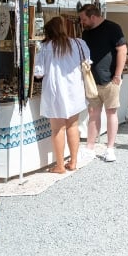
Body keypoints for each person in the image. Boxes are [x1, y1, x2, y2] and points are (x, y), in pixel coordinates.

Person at [33, 17, 89, 173]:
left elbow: (38, 73)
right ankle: (73, 162)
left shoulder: (45, 47)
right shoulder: (78, 43)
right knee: (73, 125)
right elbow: (87, 62)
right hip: (74, 89)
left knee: (58, 129)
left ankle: (59, 165)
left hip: (55, 91)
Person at [78, 4, 127, 163]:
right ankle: (90, 147)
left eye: (84, 19)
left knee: (111, 113)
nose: (82, 22)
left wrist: (118, 75)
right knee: (93, 113)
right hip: (92, 81)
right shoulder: (86, 33)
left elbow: (122, 50)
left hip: (110, 79)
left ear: (93, 16)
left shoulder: (113, 28)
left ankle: (110, 148)